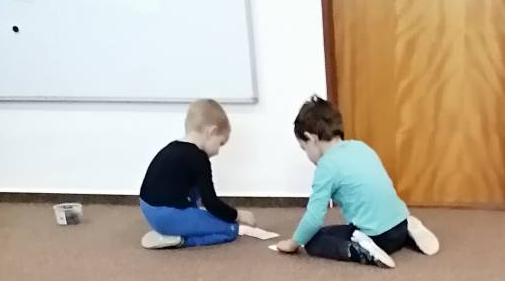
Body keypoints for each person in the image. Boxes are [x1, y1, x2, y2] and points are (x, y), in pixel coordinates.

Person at [275, 96, 440, 269]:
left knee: (313, 240)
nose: (307, 155)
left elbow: (313, 218)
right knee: (381, 223)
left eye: (304, 148)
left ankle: (362, 250)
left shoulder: (326, 166)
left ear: (311, 138)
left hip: (378, 238)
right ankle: (408, 231)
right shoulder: (360, 147)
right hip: (400, 225)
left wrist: (293, 243)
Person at [139, 98, 255, 249]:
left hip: (149, 211)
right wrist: (238, 215)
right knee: (231, 228)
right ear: (211, 132)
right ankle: (179, 239)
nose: (218, 151)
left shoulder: (172, 147)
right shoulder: (199, 158)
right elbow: (211, 202)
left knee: (193, 187)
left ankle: (174, 228)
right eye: (220, 143)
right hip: (167, 216)